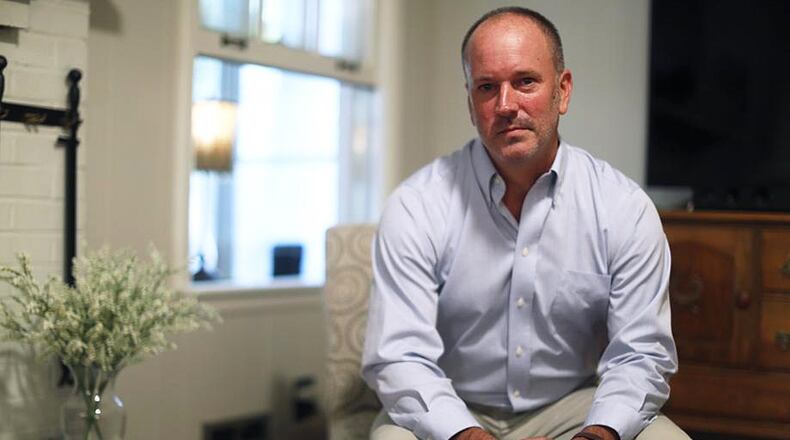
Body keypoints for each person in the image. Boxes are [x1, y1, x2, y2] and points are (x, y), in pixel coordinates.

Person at [361, 6, 689, 440]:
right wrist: (467, 435)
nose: (505, 104)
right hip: (451, 404)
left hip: (575, 406)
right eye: (486, 87)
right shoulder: (417, 206)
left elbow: (641, 355)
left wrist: (597, 435)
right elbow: (399, 355)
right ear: (470, 101)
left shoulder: (623, 208)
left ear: (563, 90)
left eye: (525, 82)